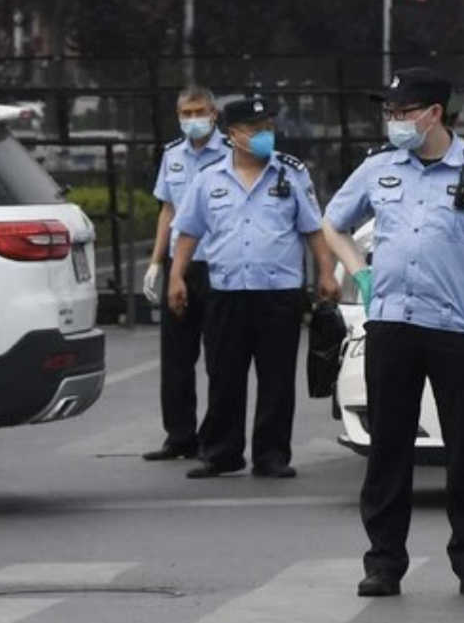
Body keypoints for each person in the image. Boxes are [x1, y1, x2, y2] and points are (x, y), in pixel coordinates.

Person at [319, 68, 464, 599]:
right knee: (389, 451)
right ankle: (383, 562)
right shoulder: (379, 169)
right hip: (392, 325)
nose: (394, 121)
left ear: (433, 115)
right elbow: (332, 222)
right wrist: (358, 269)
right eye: (390, 112)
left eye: (403, 112)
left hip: (456, 328)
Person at [166, 95, 337, 479]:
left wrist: (326, 273)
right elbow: (189, 232)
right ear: (232, 134)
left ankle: (272, 455)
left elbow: (313, 227)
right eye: (256, 130)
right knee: (224, 374)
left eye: (269, 129)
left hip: (279, 292)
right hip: (226, 291)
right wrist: (176, 276)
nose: (264, 136)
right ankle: (222, 453)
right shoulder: (209, 178)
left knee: (276, 378)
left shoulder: (291, 173)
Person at [141, 85, 228, 462]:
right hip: (181, 265)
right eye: (186, 114)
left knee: (219, 358)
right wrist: (156, 262)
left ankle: (216, 437)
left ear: (213, 113)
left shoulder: (231, 154)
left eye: (199, 112)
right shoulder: (173, 155)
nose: (193, 120)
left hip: (218, 263)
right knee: (176, 357)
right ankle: (179, 436)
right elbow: (168, 212)